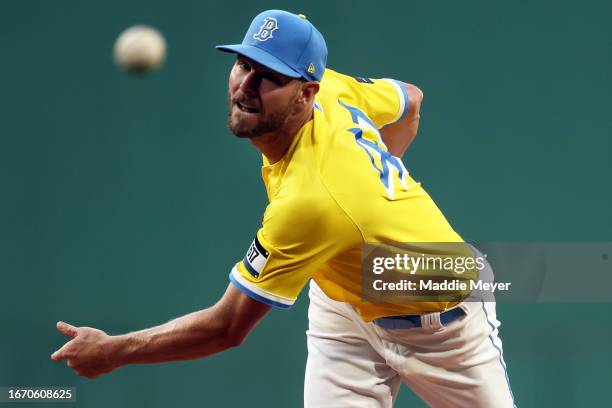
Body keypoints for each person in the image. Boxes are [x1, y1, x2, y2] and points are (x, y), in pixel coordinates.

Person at [51, 10, 515, 407]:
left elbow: (226, 328)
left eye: (269, 76)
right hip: (343, 300)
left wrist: (114, 350)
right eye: (243, 64)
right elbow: (410, 98)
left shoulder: (312, 200)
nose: (247, 85)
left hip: (441, 323)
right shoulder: (329, 89)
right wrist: (377, 187)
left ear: (305, 93)